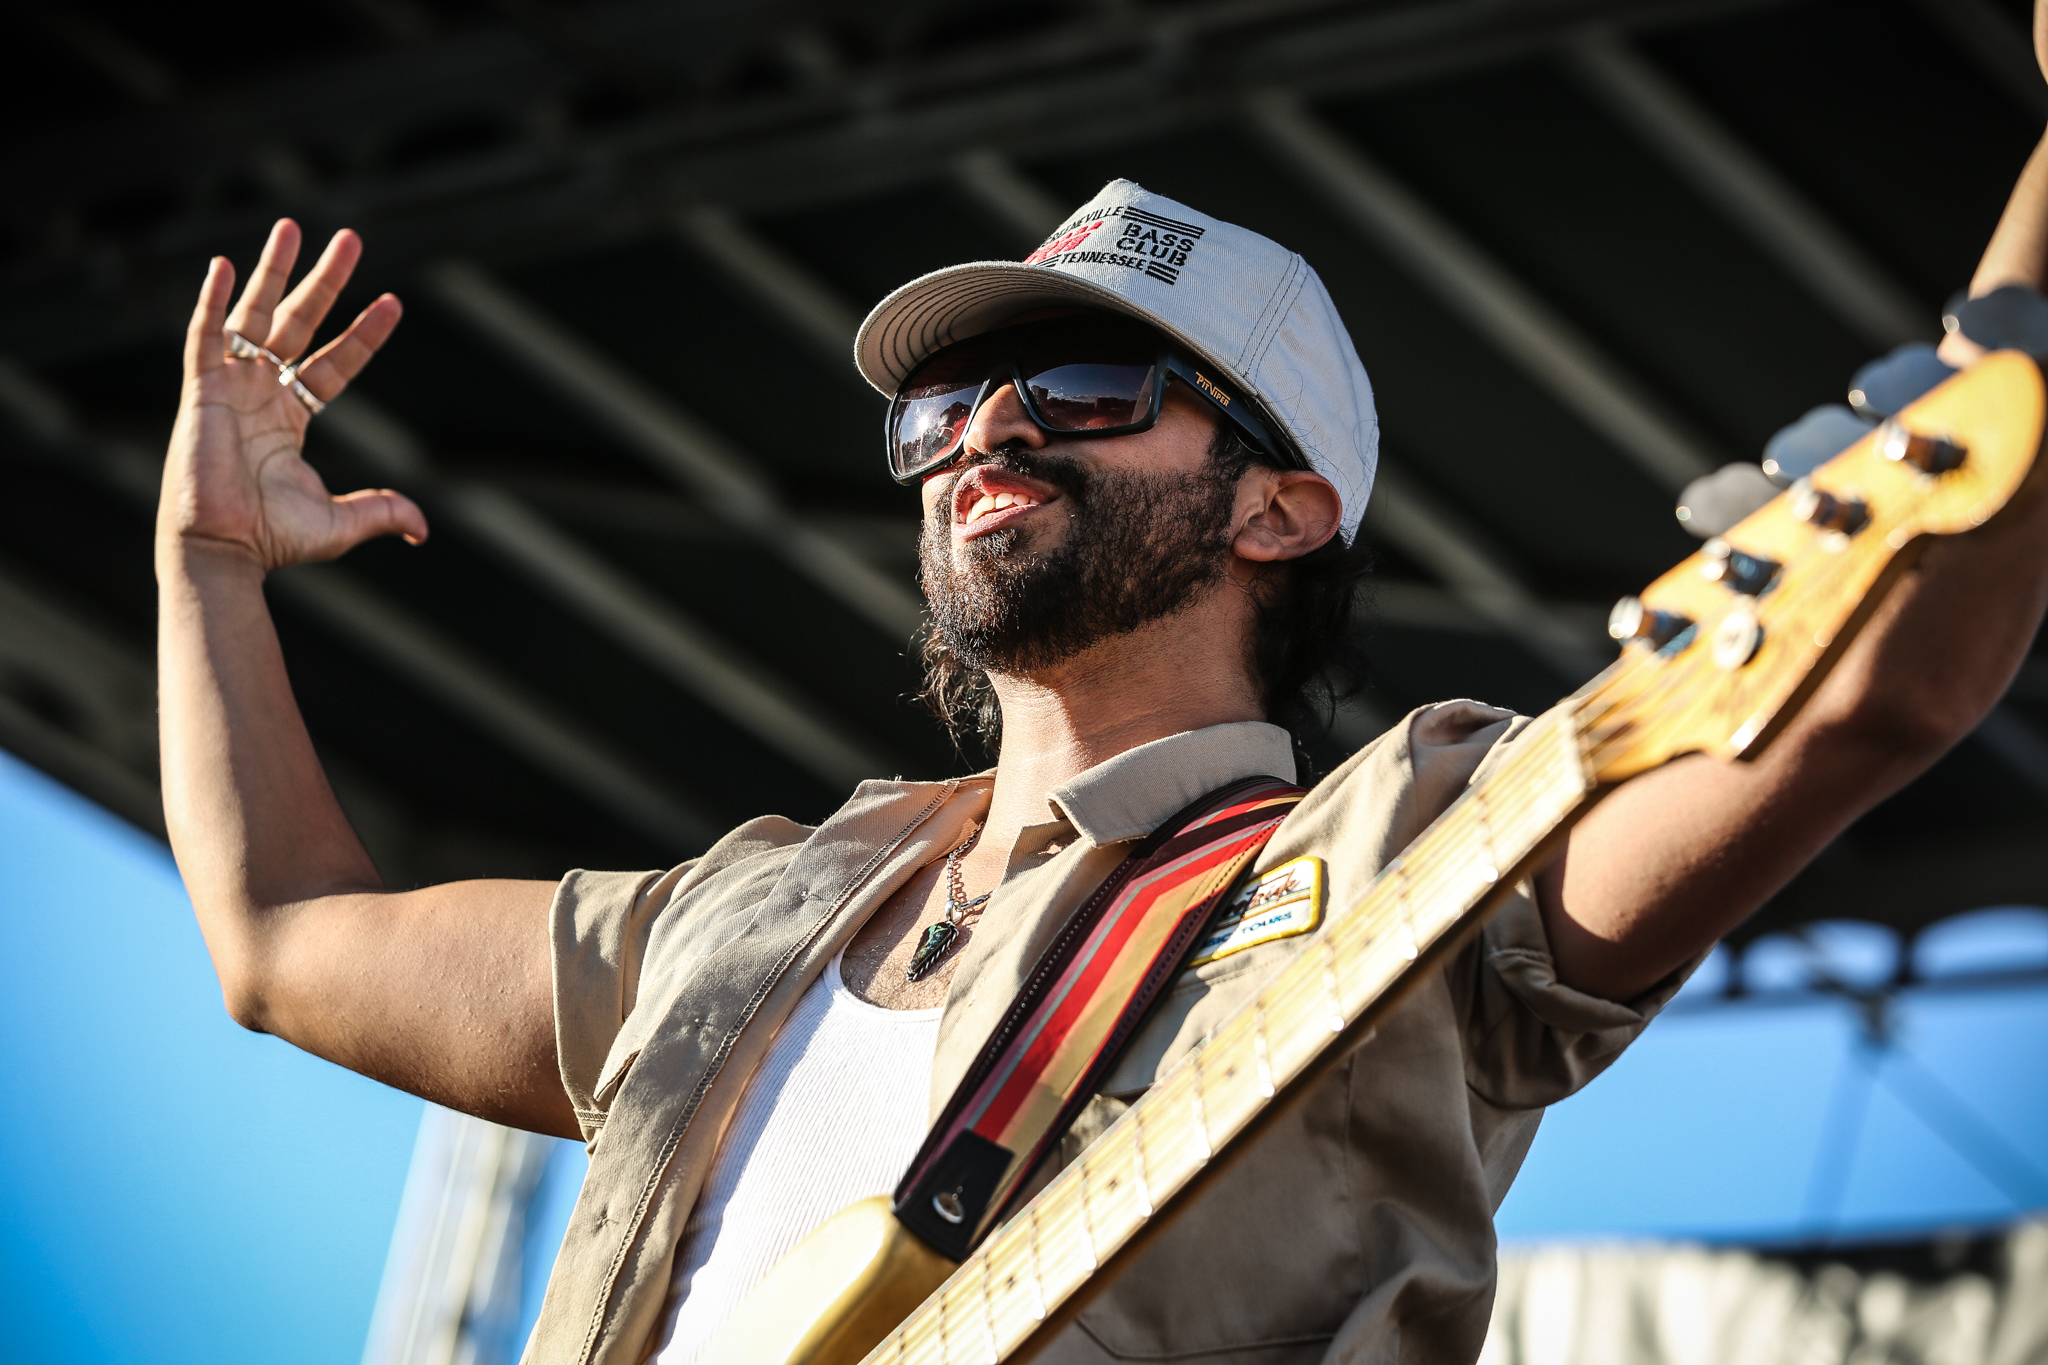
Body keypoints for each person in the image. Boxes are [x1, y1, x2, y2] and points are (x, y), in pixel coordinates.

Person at [158, 136, 2048, 1365]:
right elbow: (280, 935)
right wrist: (210, 566)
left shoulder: (1414, 856)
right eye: (948, 407)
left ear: (1283, 509)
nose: (986, 434)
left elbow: (1879, 671)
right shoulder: (733, 919)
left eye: (1082, 388)